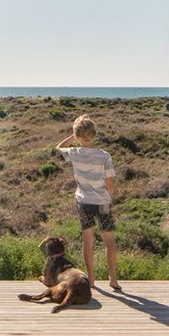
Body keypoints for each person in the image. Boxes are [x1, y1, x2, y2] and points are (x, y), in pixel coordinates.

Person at [56, 115, 121, 291]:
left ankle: (91, 279)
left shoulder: (74, 153)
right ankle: (113, 280)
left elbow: (59, 148)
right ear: (95, 134)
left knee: (88, 241)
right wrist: (110, 195)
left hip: (84, 202)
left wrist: (72, 136)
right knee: (109, 241)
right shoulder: (104, 156)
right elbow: (110, 183)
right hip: (103, 202)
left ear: (77, 136)